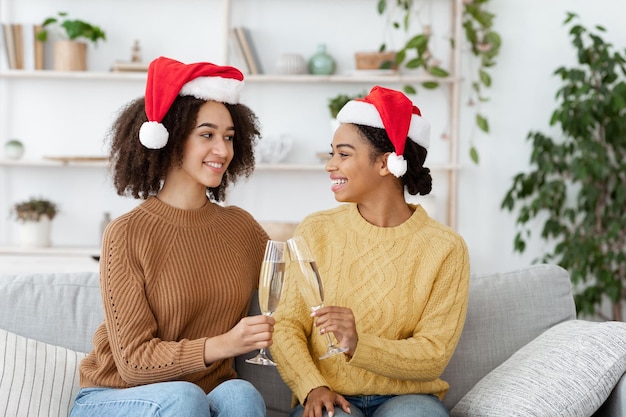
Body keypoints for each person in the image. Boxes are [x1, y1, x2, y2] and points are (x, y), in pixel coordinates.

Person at [69, 56, 273, 417]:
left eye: (228, 138)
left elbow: (294, 288)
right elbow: (132, 362)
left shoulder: (241, 228)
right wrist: (225, 344)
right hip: (119, 396)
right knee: (183, 398)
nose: (223, 151)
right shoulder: (126, 233)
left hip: (199, 395)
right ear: (171, 137)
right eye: (207, 135)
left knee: (240, 393)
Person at [271, 86, 470, 417]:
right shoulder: (315, 230)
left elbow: (434, 353)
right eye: (332, 153)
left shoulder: (445, 248)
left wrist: (359, 344)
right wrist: (311, 386)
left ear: (385, 163)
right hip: (329, 394)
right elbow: (286, 324)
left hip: (408, 400)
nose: (330, 166)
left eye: (343, 154)